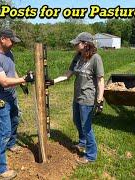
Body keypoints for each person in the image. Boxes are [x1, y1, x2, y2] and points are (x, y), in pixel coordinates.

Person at [0, 28, 34, 179]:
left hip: (11, 95)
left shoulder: (9, 53)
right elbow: (4, 81)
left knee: (15, 120)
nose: (14, 44)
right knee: (4, 131)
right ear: (3, 39)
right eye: (12, 41)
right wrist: (25, 79)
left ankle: (11, 144)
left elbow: (12, 72)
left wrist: (21, 84)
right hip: (0, 99)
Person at [52, 32, 104, 163]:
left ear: (85, 44)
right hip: (77, 97)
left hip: (87, 98)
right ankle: (82, 142)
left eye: (77, 43)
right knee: (76, 120)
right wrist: (52, 81)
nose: (75, 45)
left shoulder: (96, 58)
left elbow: (100, 80)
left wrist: (99, 100)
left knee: (87, 127)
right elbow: (68, 74)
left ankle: (91, 155)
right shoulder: (78, 57)